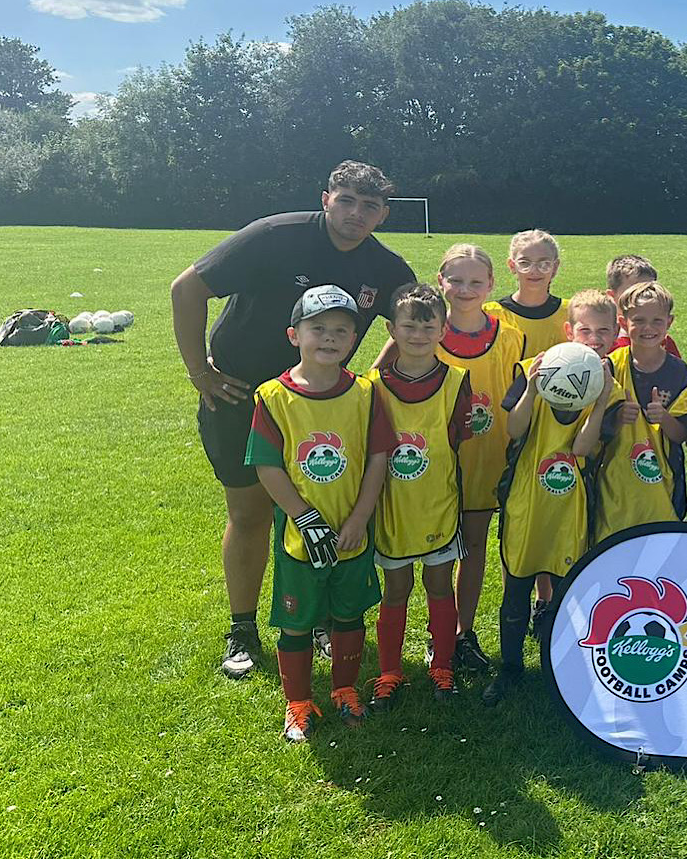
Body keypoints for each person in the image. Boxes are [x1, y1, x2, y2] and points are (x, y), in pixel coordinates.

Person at [173, 160, 415, 680]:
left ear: (384, 214)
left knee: (325, 512)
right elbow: (186, 288)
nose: (356, 214)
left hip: (324, 409)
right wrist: (200, 371)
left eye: (369, 206)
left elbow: (418, 321)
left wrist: (373, 373)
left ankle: (324, 619)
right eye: (346, 200)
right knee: (251, 513)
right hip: (240, 395)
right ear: (325, 197)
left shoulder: (387, 269)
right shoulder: (273, 235)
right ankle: (242, 628)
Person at [244, 285, 397, 741]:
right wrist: (303, 516)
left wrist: (357, 519)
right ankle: (298, 701)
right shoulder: (273, 396)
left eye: (340, 331)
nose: (328, 338)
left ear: (353, 341)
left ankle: (344, 689)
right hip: (301, 536)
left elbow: (377, 459)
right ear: (294, 335)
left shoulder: (366, 394)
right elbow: (267, 464)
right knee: (298, 621)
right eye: (317, 329)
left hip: (351, 533)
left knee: (349, 615)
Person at [484, 291, 617, 707]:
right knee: (517, 586)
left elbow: (581, 449)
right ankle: (509, 669)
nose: (593, 339)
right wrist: (534, 389)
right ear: (568, 331)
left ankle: (561, 669)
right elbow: (516, 428)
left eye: (602, 331)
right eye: (584, 330)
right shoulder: (535, 367)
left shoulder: (609, 379)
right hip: (527, 498)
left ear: (616, 334)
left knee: (566, 591)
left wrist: (600, 402)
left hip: (570, 503)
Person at [367, 284, 475, 711]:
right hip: (392, 507)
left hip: (438, 505)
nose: (417, 333)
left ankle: (442, 664)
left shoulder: (457, 381)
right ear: (392, 329)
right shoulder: (371, 386)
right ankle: (389, 671)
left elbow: (459, 441)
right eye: (408, 325)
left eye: (427, 325)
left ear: (443, 330)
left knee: (438, 583)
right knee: (395, 588)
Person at [433, 244, 526, 677]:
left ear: (491, 285)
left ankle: (461, 633)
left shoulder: (508, 336)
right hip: (436, 463)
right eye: (456, 280)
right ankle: (439, 638)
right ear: (440, 282)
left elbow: (516, 398)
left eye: (475, 281)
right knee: (438, 554)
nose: (465, 289)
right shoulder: (424, 332)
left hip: (488, 460)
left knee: (473, 550)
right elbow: (384, 378)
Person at [593, 281, 687, 542]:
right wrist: (616, 418)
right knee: (612, 552)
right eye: (638, 320)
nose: (648, 328)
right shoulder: (610, 367)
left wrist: (664, 418)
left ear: (669, 322)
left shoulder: (678, 372)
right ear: (623, 323)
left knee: (660, 550)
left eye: (657, 320)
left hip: (662, 485)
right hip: (615, 486)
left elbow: (682, 434)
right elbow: (595, 431)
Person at [485, 230, 565, 358]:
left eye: (544, 264)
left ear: (555, 267)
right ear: (512, 266)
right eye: (524, 263)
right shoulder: (491, 314)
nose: (534, 271)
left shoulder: (571, 312)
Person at [606, 255, 681, 357]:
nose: (642, 297)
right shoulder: (604, 344)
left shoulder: (664, 342)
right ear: (611, 296)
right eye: (632, 292)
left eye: (649, 290)